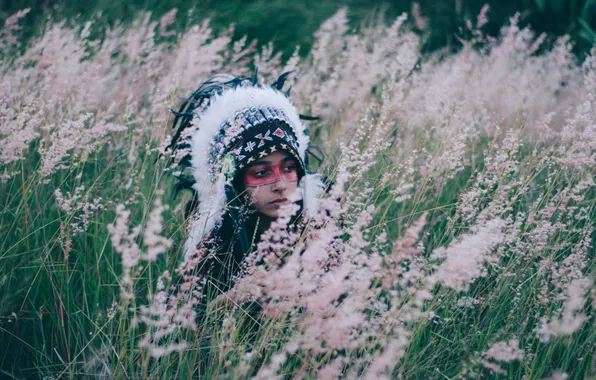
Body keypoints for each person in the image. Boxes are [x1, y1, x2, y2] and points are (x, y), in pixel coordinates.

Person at [168, 71, 326, 304]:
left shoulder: (321, 234)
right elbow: (181, 326)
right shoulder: (212, 252)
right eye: (261, 172)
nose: (280, 185)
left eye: (288, 167)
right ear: (234, 181)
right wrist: (232, 301)